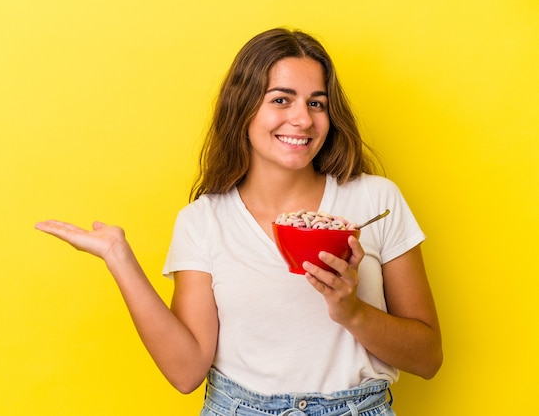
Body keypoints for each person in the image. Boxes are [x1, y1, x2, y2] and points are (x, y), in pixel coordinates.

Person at [35, 28, 442, 415]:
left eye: (316, 103)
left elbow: (428, 359)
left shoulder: (374, 199)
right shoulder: (203, 221)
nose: (302, 119)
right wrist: (119, 258)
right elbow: (186, 371)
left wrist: (351, 311)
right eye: (281, 100)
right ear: (243, 107)